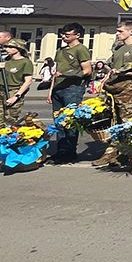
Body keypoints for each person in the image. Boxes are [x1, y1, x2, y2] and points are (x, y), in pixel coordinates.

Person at [94, 21, 132, 167]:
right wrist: (103, 82)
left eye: (120, 31)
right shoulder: (118, 48)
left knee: (127, 122)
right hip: (114, 88)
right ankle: (116, 153)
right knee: (116, 122)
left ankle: (125, 154)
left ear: (131, 32)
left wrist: (127, 72)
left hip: (129, 89)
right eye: (117, 31)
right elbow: (112, 68)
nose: (117, 34)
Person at [48, 23, 93, 164]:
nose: (63, 37)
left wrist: (68, 75)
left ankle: (70, 152)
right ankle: (61, 151)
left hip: (73, 88)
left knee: (70, 121)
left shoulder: (81, 49)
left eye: (67, 35)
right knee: (59, 121)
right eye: (62, 34)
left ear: (77, 35)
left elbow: (87, 70)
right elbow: (55, 73)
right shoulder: (60, 50)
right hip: (58, 88)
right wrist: (50, 91)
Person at [0, 39, 34, 129]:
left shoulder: (25, 62)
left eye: (10, 47)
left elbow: (28, 81)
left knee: (10, 120)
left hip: (13, 91)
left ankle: (11, 141)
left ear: (18, 49)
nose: (6, 49)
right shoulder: (4, 61)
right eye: (6, 47)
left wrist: (16, 96)